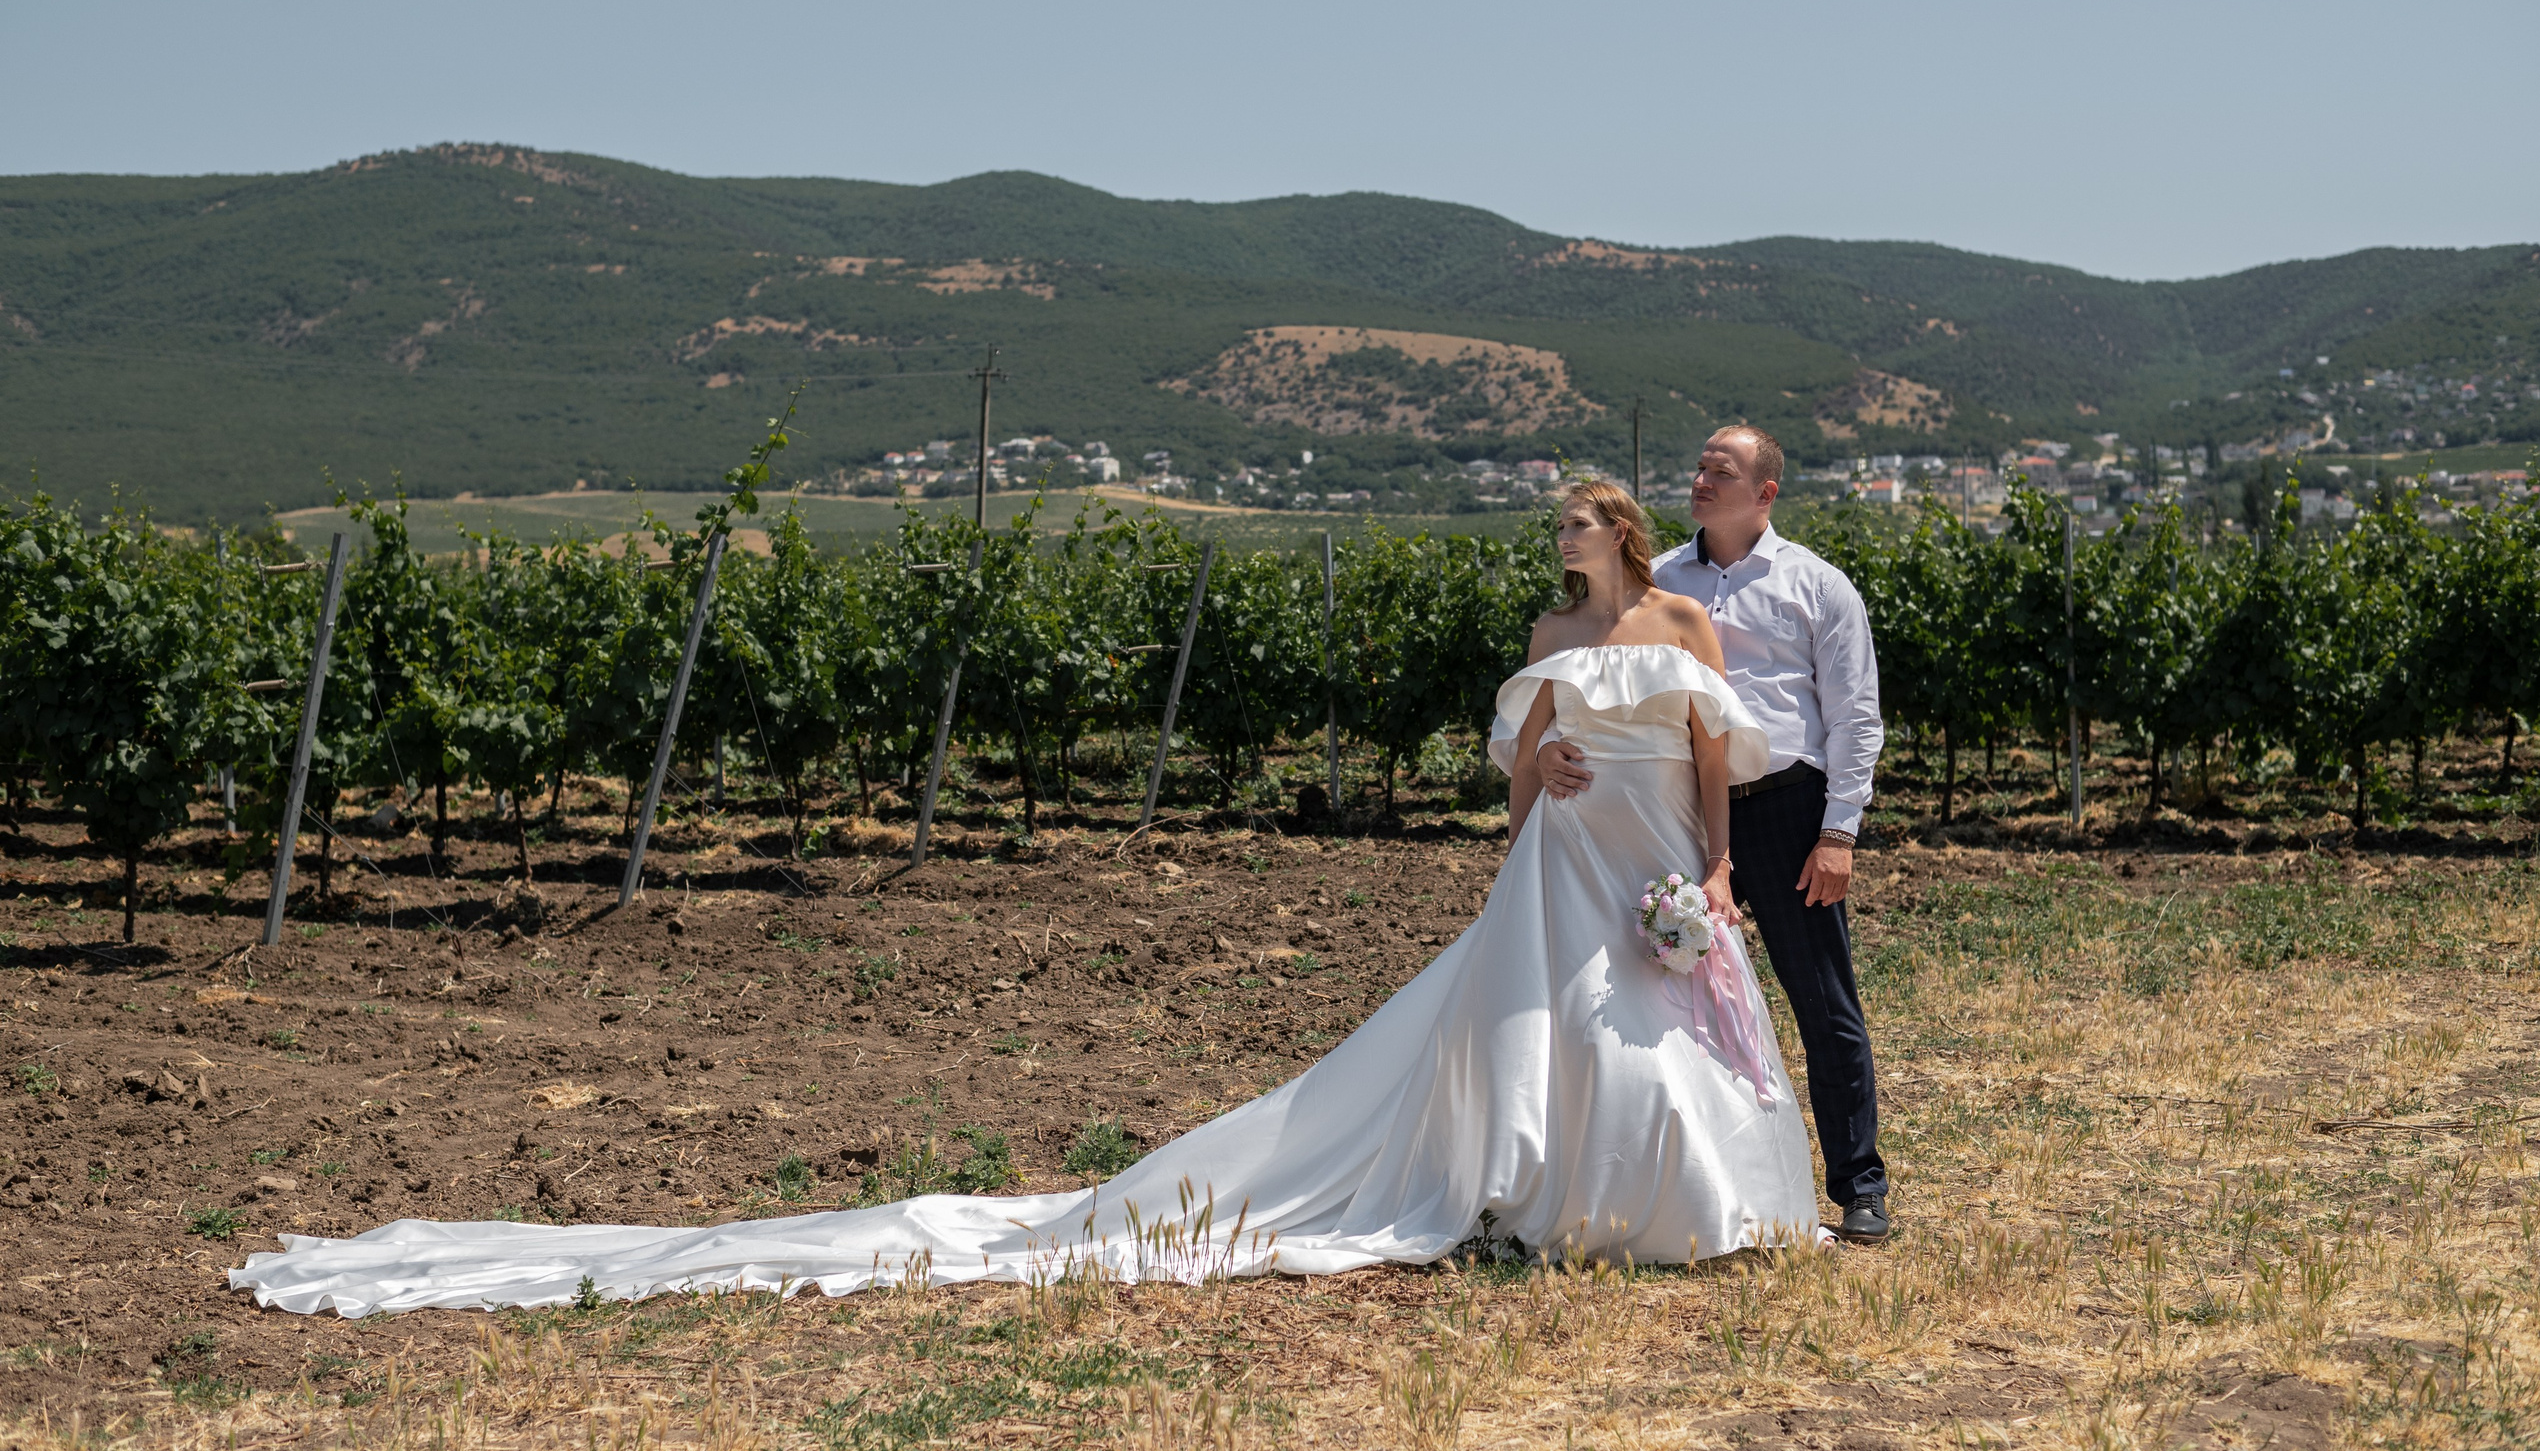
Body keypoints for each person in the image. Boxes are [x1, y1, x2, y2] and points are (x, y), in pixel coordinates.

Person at [229, 480, 1824, 1319]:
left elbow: (1711, 757)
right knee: (1534, 1024)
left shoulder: (1685, 625)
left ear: (1617, 539)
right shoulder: (1546, 645)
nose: (1559, 559)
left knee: (1653, 1022)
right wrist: (1527, 782)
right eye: (1553, 540)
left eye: (1572, 536)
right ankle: (1543, 1203)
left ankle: (1681, 1206)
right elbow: (1516, 758)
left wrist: (1714, 873)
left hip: (1651, 857)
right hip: (1554, 853)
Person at [1537, 427, 1891, 1243]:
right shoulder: (1652, 584)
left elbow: (1854, 719)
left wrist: (1838, 832)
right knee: (1662, 1004)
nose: (1699, 479)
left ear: (1765, 492)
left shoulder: (1818, 587)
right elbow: (1587, 680)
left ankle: (1858, 1184)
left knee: (1821, 999)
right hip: (1667, 813)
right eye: (1697, 466)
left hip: (1784, 813)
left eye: (1719, 471)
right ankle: (1686, 1185)